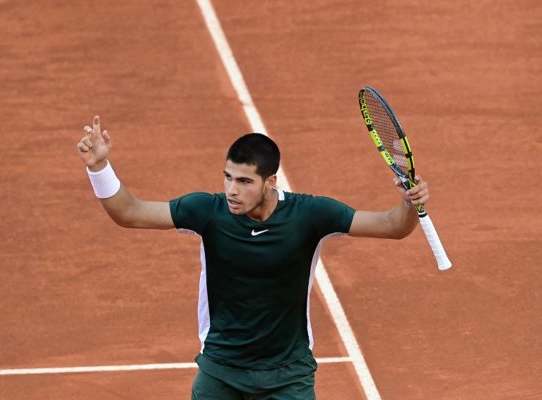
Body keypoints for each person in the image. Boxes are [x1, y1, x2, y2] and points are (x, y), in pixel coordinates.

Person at [77, 115, 429, 399]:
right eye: (228, 177)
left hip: (288, 375)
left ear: (270, 181)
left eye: (245, 181)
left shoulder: (310, 216)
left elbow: (391, 226)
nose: (232, 190)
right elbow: (130, 213)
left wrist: (408, 202)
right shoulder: (207, 211)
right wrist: (99, 167)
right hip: (221, 369)